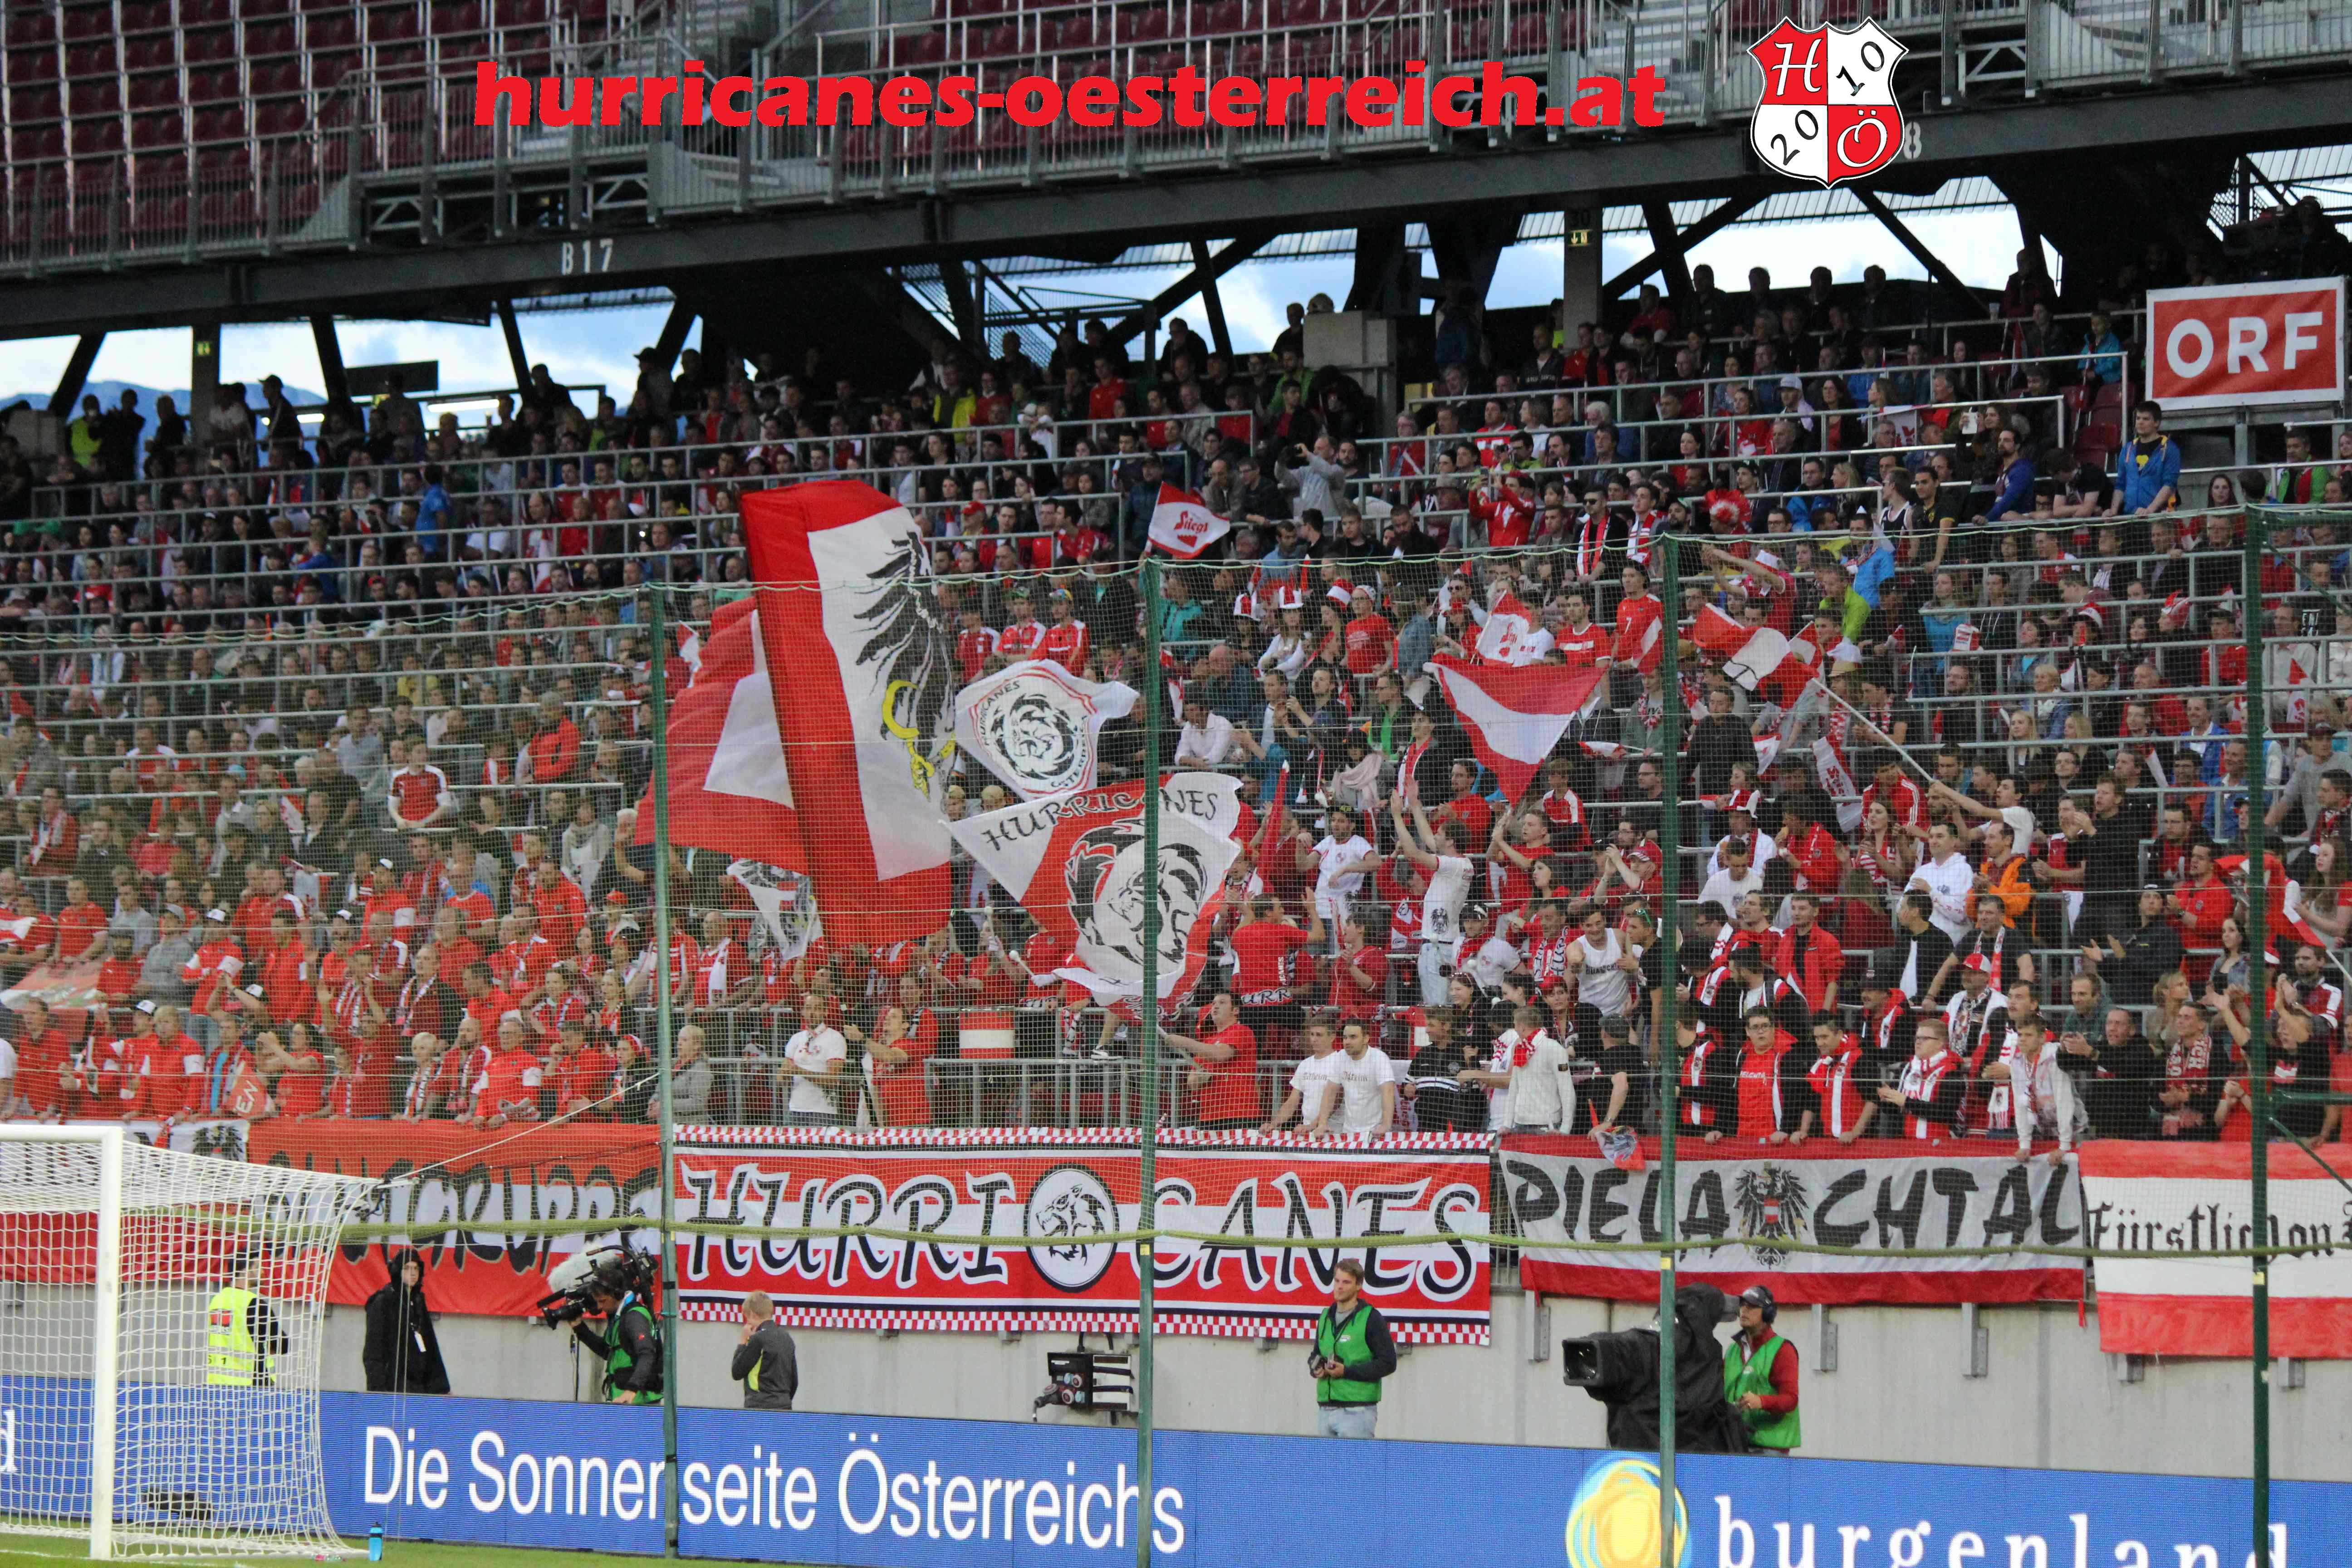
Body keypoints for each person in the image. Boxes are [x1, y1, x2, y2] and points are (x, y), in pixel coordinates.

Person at [1307, 1258, 1396, 1438]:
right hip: (1326, 1409)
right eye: (1337, 1281)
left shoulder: (1371, 1318)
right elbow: (1316, 1353)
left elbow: (1388, 1363)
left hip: (1358, 1411)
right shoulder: (1325, 1316)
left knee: (1354, 1458)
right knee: (1325, 1458)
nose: (1340, 1287)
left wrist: (1347, 1372)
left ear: (1358, 1286)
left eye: (1346, 1282)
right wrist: (1315, 1367)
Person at [571, 1250, 663, 1404]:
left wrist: (632, 1390)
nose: (599, 1307)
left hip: (639, 1401)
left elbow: (647, 1353)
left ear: (618, 1294)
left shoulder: (634, 1316)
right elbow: (608, 1352)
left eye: (603, 1301)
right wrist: (580, 1328)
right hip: (623, 1399)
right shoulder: (618, 1317)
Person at [361, 1248, 451, 1394]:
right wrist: (378, 1393)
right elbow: (373, 1353)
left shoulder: (418, 1301)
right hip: (393, 1388)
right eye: (407, 1268)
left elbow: (431, 1348)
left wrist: (441, 1388)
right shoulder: (383, 1302)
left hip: (419, 1388)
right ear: (398, 1271)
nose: (413, 1273)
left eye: (416, 1268)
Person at [1722, 1284, 1799, 1453]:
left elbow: (1790, 1400)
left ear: (1768, 1313)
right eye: (1743, 1305)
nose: (1744, 1310)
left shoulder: (1782, 1350)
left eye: (1752, 1306)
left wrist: (1761, 1402)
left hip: (1769, 1449)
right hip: (1735, 1443)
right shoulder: (1732, 1351)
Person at [206, 1250, 291, 1388]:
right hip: (250, 1383)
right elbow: (282, 1346)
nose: (262, 1272)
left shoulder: (216, 1300)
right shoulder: (254, 1303)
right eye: (257, 1267)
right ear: (244, 1271)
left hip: (216, 1379)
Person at [730, 1289, 799, 1411]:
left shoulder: (758, 1339)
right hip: (785, 1406)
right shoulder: (787, 1338)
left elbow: (737, 1372)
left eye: (747, 1319)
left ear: (752, 1314)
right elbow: (794, 1380)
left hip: (759, 1406)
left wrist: (743, 1342)